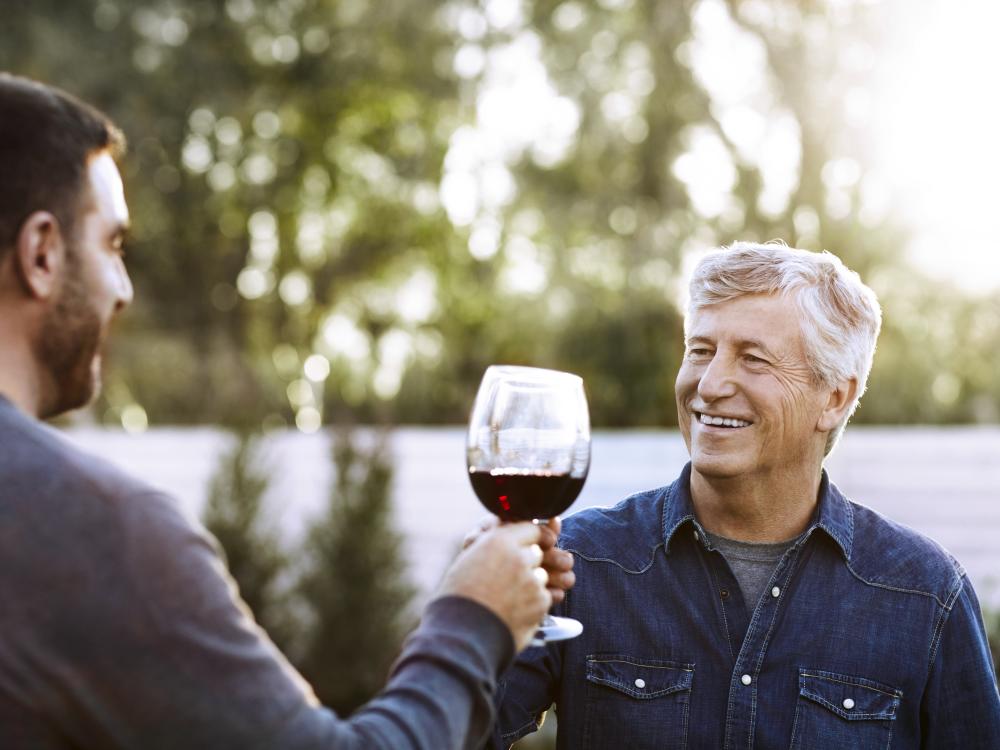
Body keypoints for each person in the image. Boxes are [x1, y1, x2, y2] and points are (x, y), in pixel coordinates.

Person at [0, 73, 575, 749]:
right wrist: (474, 620)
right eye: (114, 246)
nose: (123, 288)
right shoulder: (94, 532)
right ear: (41, 253)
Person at [490, 242, 1000, 748]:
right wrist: (471, 612)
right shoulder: (578, 563)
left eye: (753, 359)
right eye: (700, 351)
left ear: (834, 397)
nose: (709, 385)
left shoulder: (926, 594)